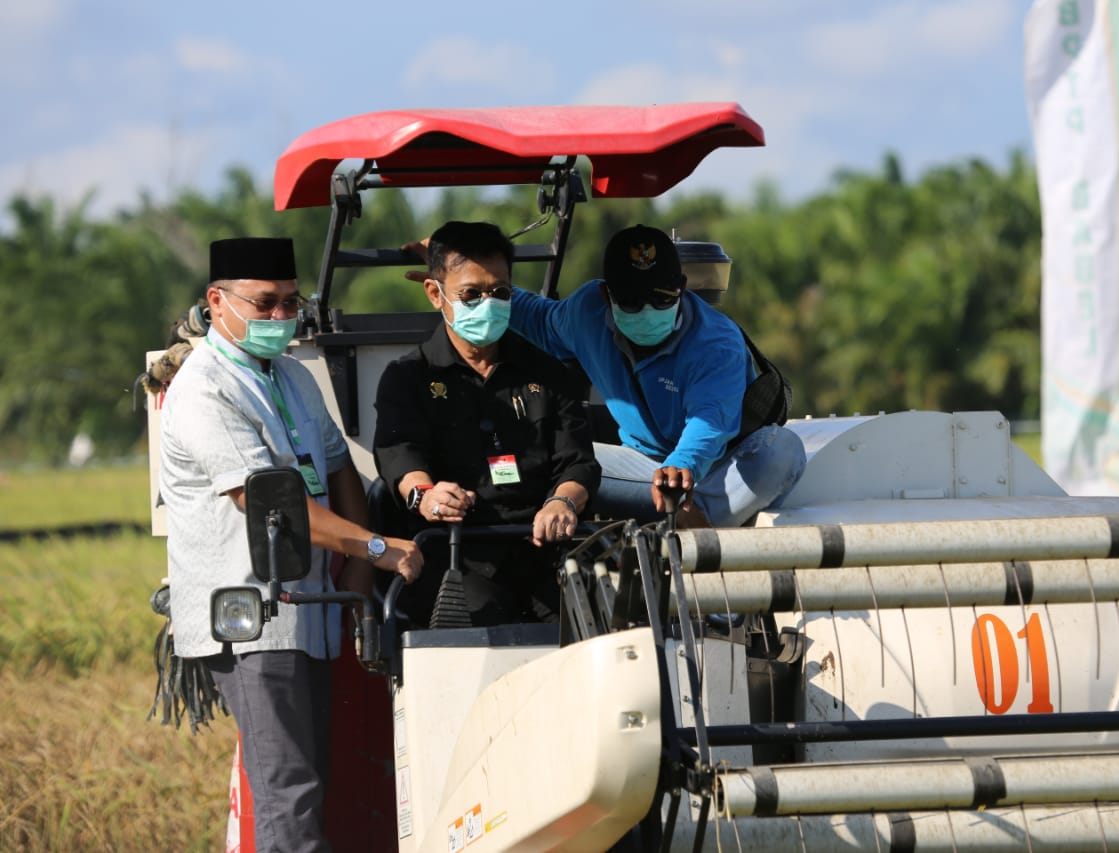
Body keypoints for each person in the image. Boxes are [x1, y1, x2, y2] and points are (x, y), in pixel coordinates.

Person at [159, 237, 423, 852]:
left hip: (309, 609)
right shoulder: (205, 389)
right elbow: (266, 502)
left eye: (290, 304)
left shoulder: (291, 375)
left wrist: (355, 582)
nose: (281, 319)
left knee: (310, 787)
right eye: (266, 305)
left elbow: (338, 472)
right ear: (216, 302)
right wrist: (378, 549)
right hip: (251, 620)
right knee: (289, 798)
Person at [407, 224, 805, 528]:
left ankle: (687, 529)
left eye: (661, 299)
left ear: (682, 289)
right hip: (640, 465)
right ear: (605, 296)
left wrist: (683, 468)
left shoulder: (716, 341)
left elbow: (710, 421)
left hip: (715, 464)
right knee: (547, 456)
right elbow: (529, 313)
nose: (647, 309)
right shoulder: (585, 314)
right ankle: (680, 528)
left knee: (782, 451)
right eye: (631, 301)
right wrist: (454, 271)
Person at [375, 221, 601, 626]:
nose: (487, 303)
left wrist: (562, 502)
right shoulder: (408, 378)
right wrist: (427, 496)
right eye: (471, 294)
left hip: (547, 551)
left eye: (499, 293)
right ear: (435, 293)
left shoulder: (548, 372)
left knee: (595, 634)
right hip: (457, 554)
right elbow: (398, 456)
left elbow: (578, 462)